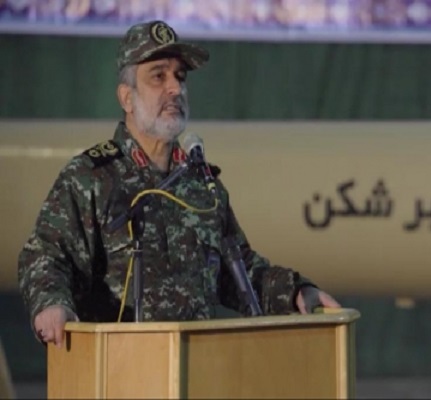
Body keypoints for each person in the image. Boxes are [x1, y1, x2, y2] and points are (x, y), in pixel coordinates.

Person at [17, 20, 340, 348]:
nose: (175, 88)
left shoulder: (201, 184)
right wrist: (50, 303)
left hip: (196, 366)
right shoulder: (91, 177)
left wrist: (295, 291)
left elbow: (239, 270)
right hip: (117, 365)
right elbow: (45, 254)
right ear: (127, 98)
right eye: (158, 76)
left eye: (180, 77)